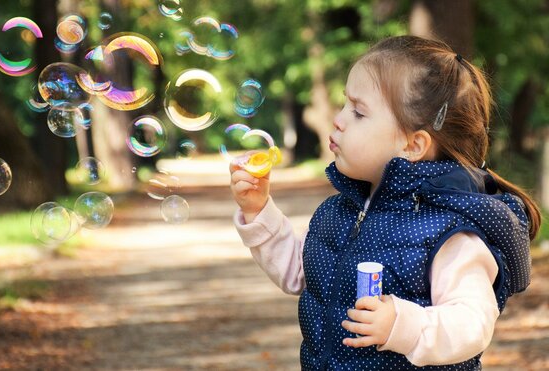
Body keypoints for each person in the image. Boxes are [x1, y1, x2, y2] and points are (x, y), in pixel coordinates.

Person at [229, 35, 541, 370]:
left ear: (413, 144)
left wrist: (402, 325)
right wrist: (259, 210)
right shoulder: (339, 212)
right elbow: (301, 272)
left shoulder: (448, 232)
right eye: (345, 104)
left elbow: (472, 322)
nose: (339, 119)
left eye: (359, 112)